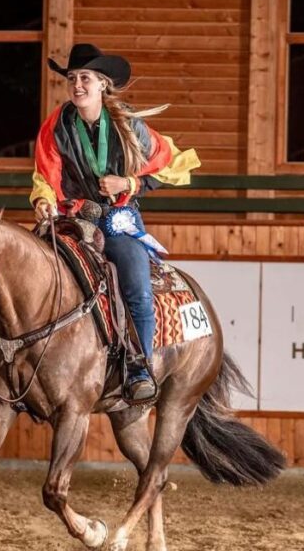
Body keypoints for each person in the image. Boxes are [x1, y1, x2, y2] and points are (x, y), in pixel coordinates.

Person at [31, 43, 200, 402]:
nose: (77, 85)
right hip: (72, 219)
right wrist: (44, 200)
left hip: (117, 220)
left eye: (85, 78)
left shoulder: (131, 128)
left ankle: (139, 365)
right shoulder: (56, 126)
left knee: (136, 281)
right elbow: (46, 173)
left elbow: (173, 165)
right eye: (72, 78)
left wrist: (130, 183)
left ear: (103, 84)